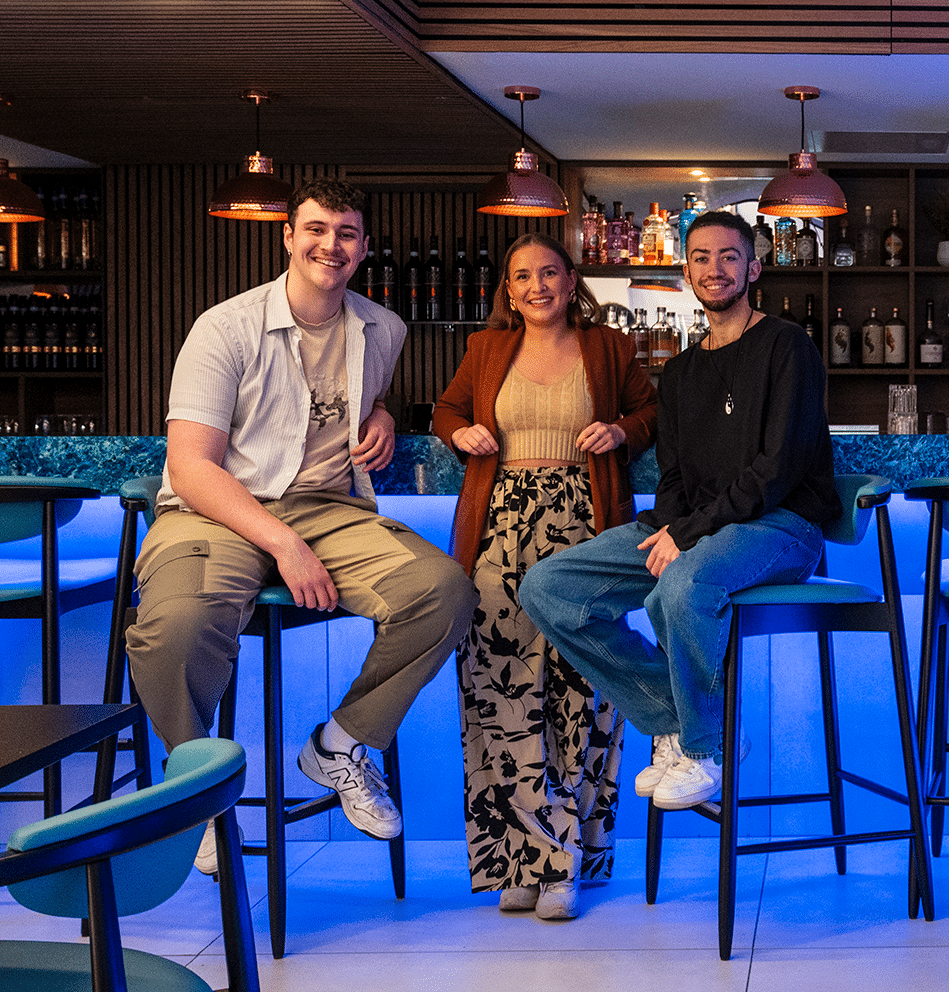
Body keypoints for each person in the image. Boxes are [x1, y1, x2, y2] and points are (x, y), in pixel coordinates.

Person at [126, 177, 477, 872]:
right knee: (176, 628)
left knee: (444, 593)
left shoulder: (385, 328)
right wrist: (282, 543)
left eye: (347, 233)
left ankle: (342, 743)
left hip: (329, 511)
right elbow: (192, 467)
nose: (331, 244)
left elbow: (371, 392)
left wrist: (382, 414)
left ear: (365, 247)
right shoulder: (223, 328)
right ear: (287, 235)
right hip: (218, 509)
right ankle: (197, 788)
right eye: (316, 229)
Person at [520, 211, 842, 813]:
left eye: (727, 256)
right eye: (700, 257)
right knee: (549, 586)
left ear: (754, 267)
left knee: (681, 587)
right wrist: (674, 526)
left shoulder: (788, 347)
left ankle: (703, 749)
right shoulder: (682, 373)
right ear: (685, 270)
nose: (713, 268)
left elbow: (778, 469)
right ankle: (678, 720)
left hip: (783, 528)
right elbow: (674, 478)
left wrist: (687, 534)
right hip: (700, 529)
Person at [432, 233, 657, 919]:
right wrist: (458, 433)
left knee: (580, 688)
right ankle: (520, 861)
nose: (537, 286)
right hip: (500, 530)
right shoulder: (484, 349)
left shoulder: (611, 347)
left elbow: (652, 414)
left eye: (550, 273)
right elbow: (446, 411)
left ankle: (564, 864)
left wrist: (621, 432)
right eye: (522, 276)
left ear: (571, 280)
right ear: (508, 289)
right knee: (497, 695)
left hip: (587, 530)